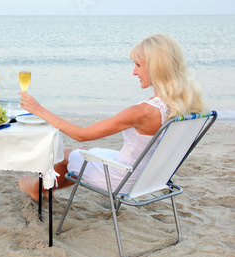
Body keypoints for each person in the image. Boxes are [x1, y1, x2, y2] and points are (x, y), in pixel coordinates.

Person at [18, 33, 206, 201]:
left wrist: (39, 110)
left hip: (123, 180)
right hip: (151, 178)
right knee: (82, 151)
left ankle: (38, 188)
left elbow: (81, 133)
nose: (134, 72)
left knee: (65, 155)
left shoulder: (142, 112)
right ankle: (41, 189)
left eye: (138, 65)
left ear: (157, 67)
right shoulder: (182, 104)